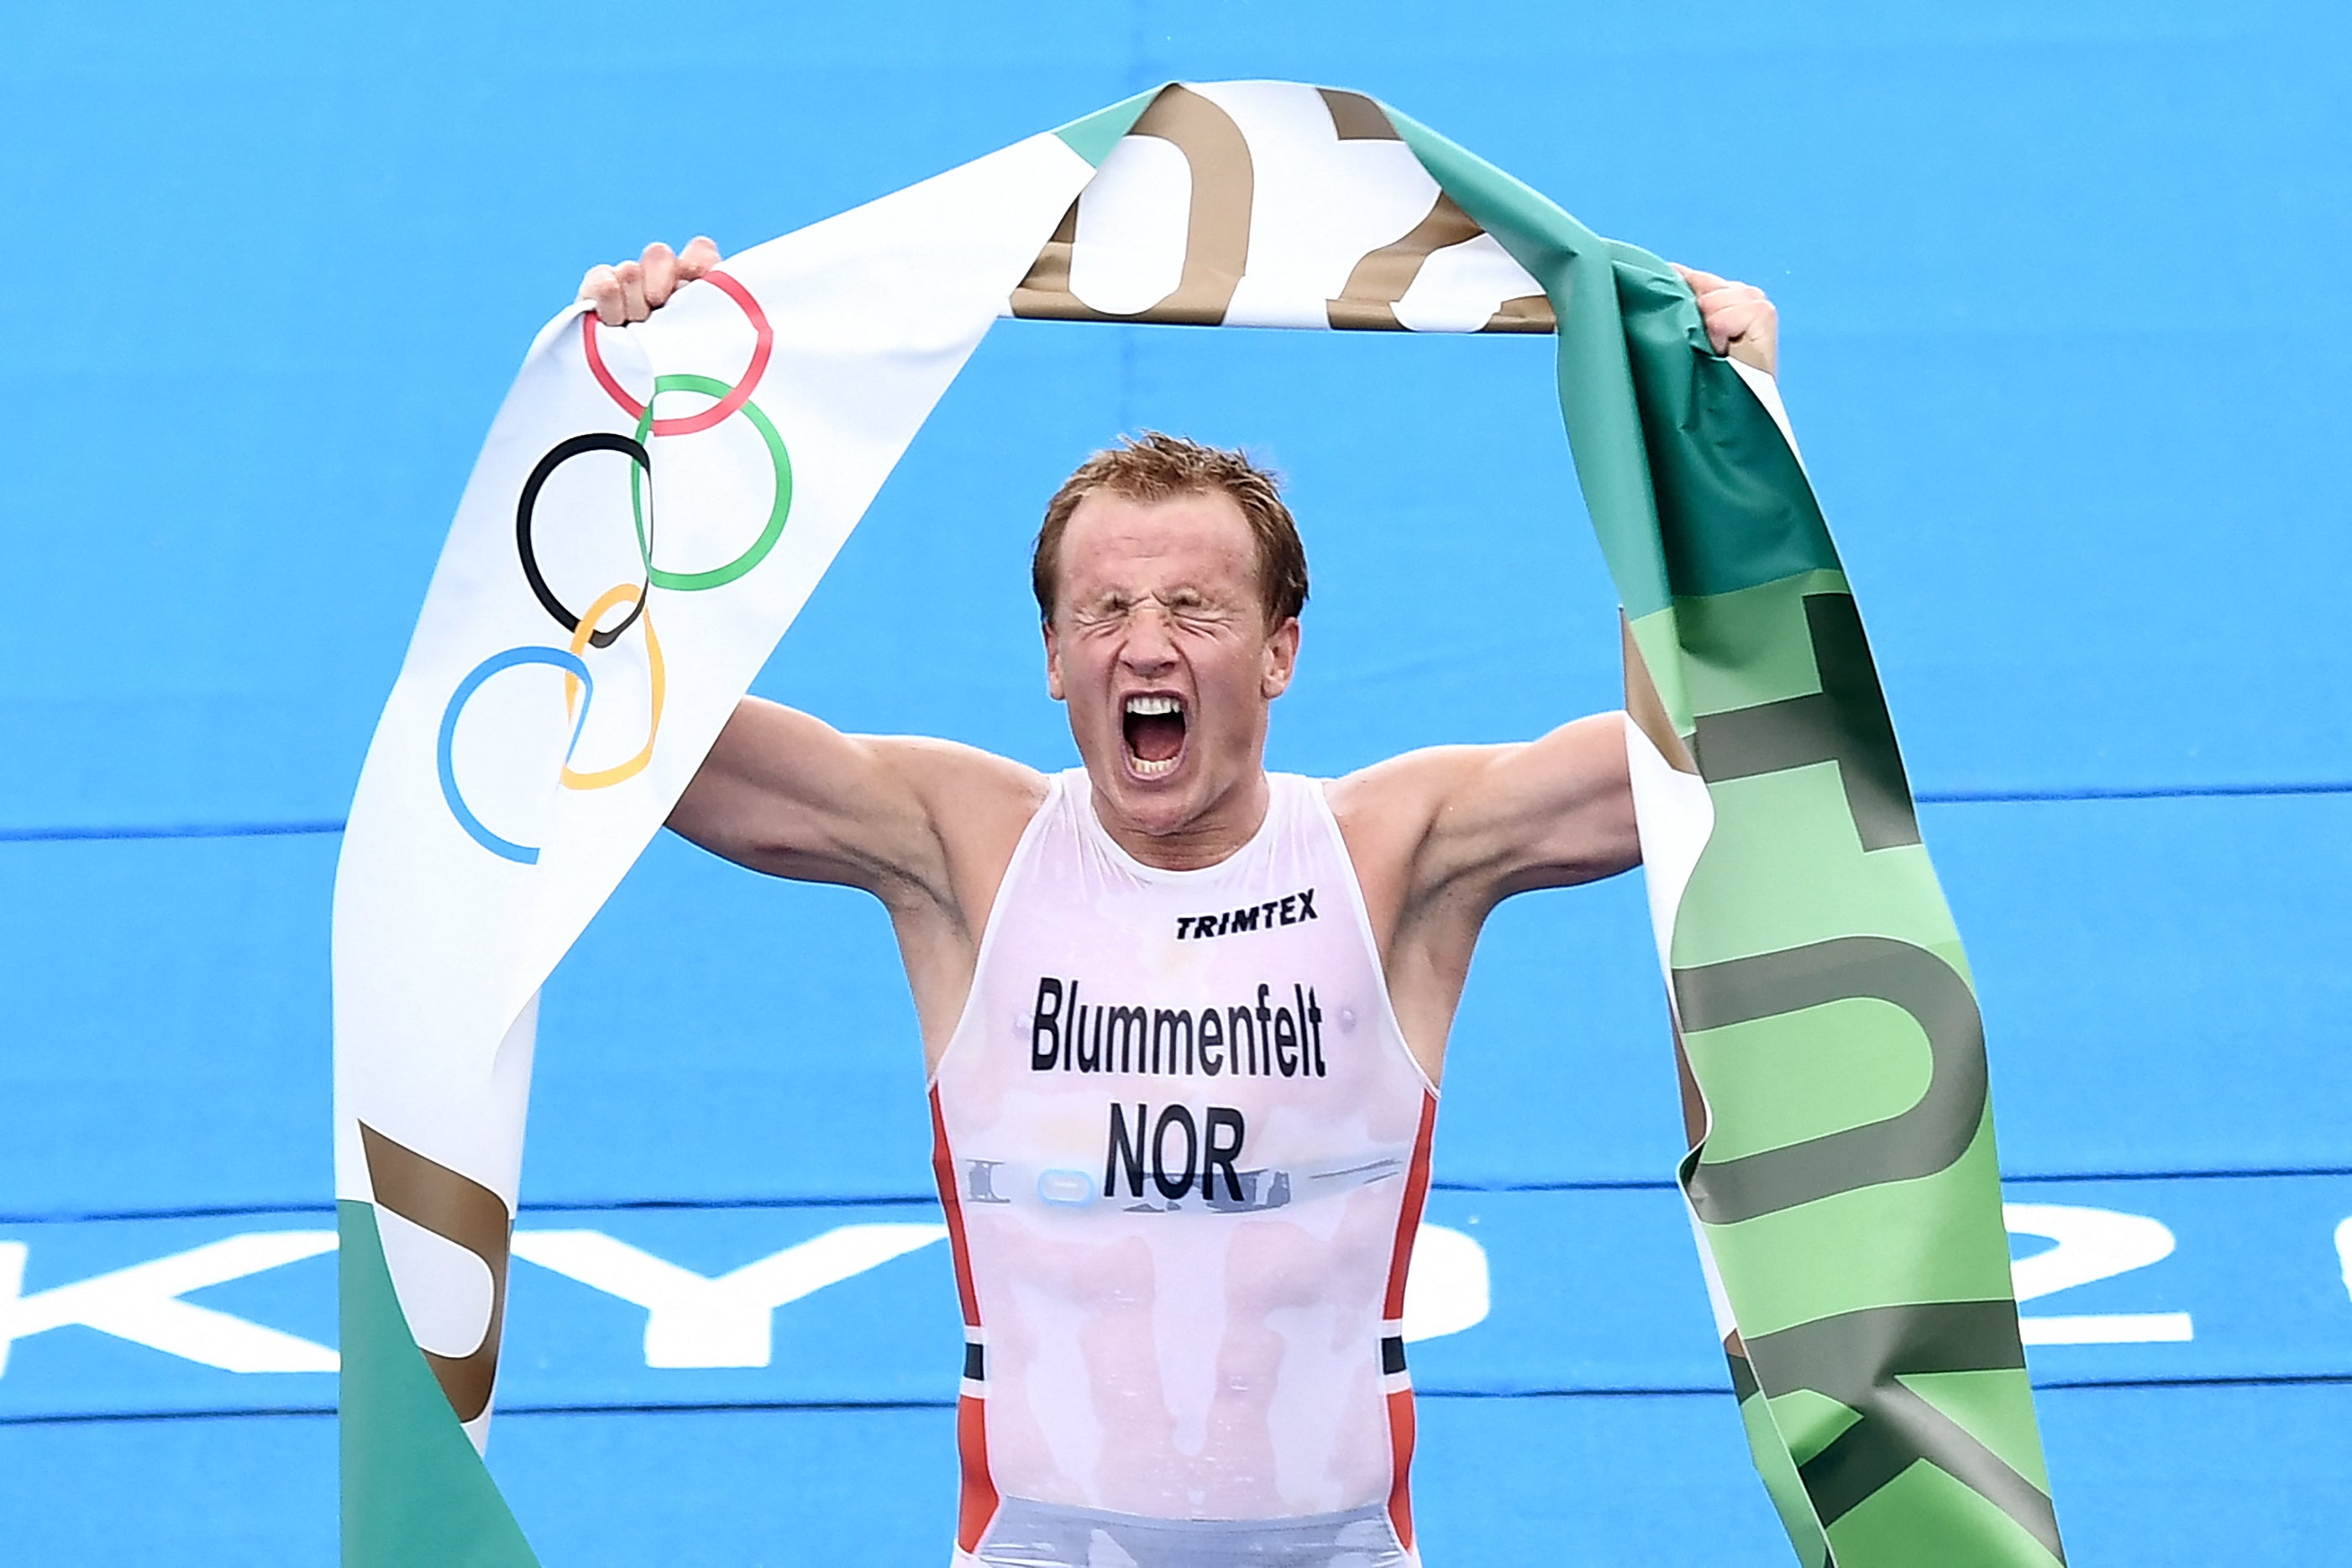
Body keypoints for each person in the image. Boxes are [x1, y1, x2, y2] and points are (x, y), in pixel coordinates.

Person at [581, 239, 1777, 1568]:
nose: (1144, 643)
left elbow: (1710, 759)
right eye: (1104, 609)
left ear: (1279, 655)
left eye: (1195, 608)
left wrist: (1712, 443)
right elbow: (634, 736)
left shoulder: (1393, 857)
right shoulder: (965, 850)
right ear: (1052, 657)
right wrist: (633, 424)